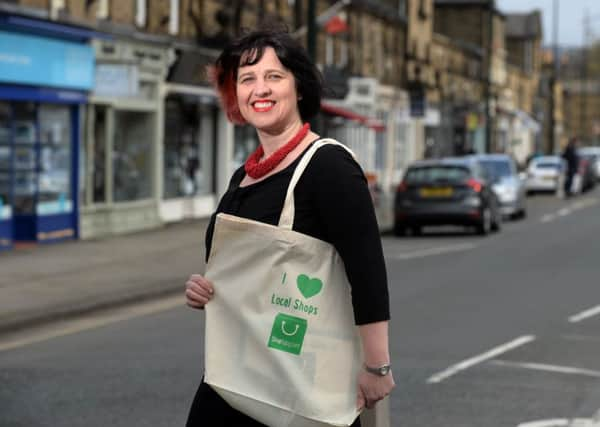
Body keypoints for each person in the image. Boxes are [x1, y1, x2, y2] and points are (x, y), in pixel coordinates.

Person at [184, 28, 394, 427]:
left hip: (303, 381)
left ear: (299, 89)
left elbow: (367, 271)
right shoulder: (242, 177)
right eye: (246, 79)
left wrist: (377, 366)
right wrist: (207, 288)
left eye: (273, 77)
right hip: (236, 374)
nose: (259, 89)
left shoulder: (329, 166)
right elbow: (246, 269)